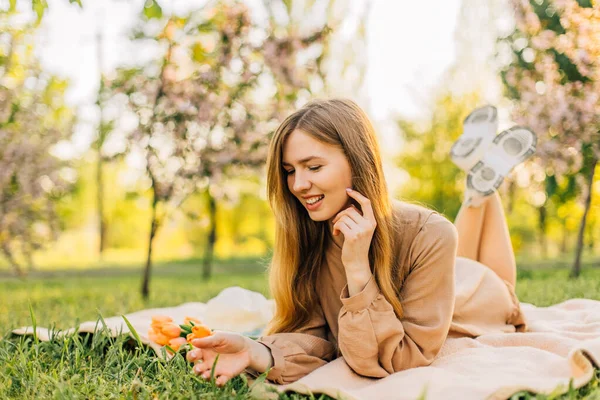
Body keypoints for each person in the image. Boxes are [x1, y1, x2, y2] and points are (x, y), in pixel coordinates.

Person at [186, 99, 535, 387]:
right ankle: (479, 183)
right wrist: (254, 351)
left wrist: (358, 269)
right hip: (445, 271)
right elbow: (316, 336)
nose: (298, 184)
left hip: (475, 293)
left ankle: (481, 189)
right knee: (461, 226)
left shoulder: (430, 233)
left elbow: (399, 360)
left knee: (503, 286)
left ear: (358, 161)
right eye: (290, 170)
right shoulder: (310, 234)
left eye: (314, 167)